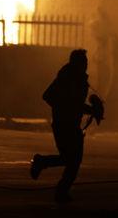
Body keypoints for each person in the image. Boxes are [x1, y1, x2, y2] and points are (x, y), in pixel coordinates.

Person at [30, 49, 104, 203]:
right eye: (82, 62)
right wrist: (65, 107)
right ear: (74, 63)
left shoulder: (79, 80)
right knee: (72, 160)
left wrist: (90, 109)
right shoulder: (65, 78)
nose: (85, 65)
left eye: (86, 62)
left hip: (72, 125)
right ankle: (59, 190)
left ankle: (44, 165)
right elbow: (48, 96)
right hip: (63, 124)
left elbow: (75, 104)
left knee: (70, 160)